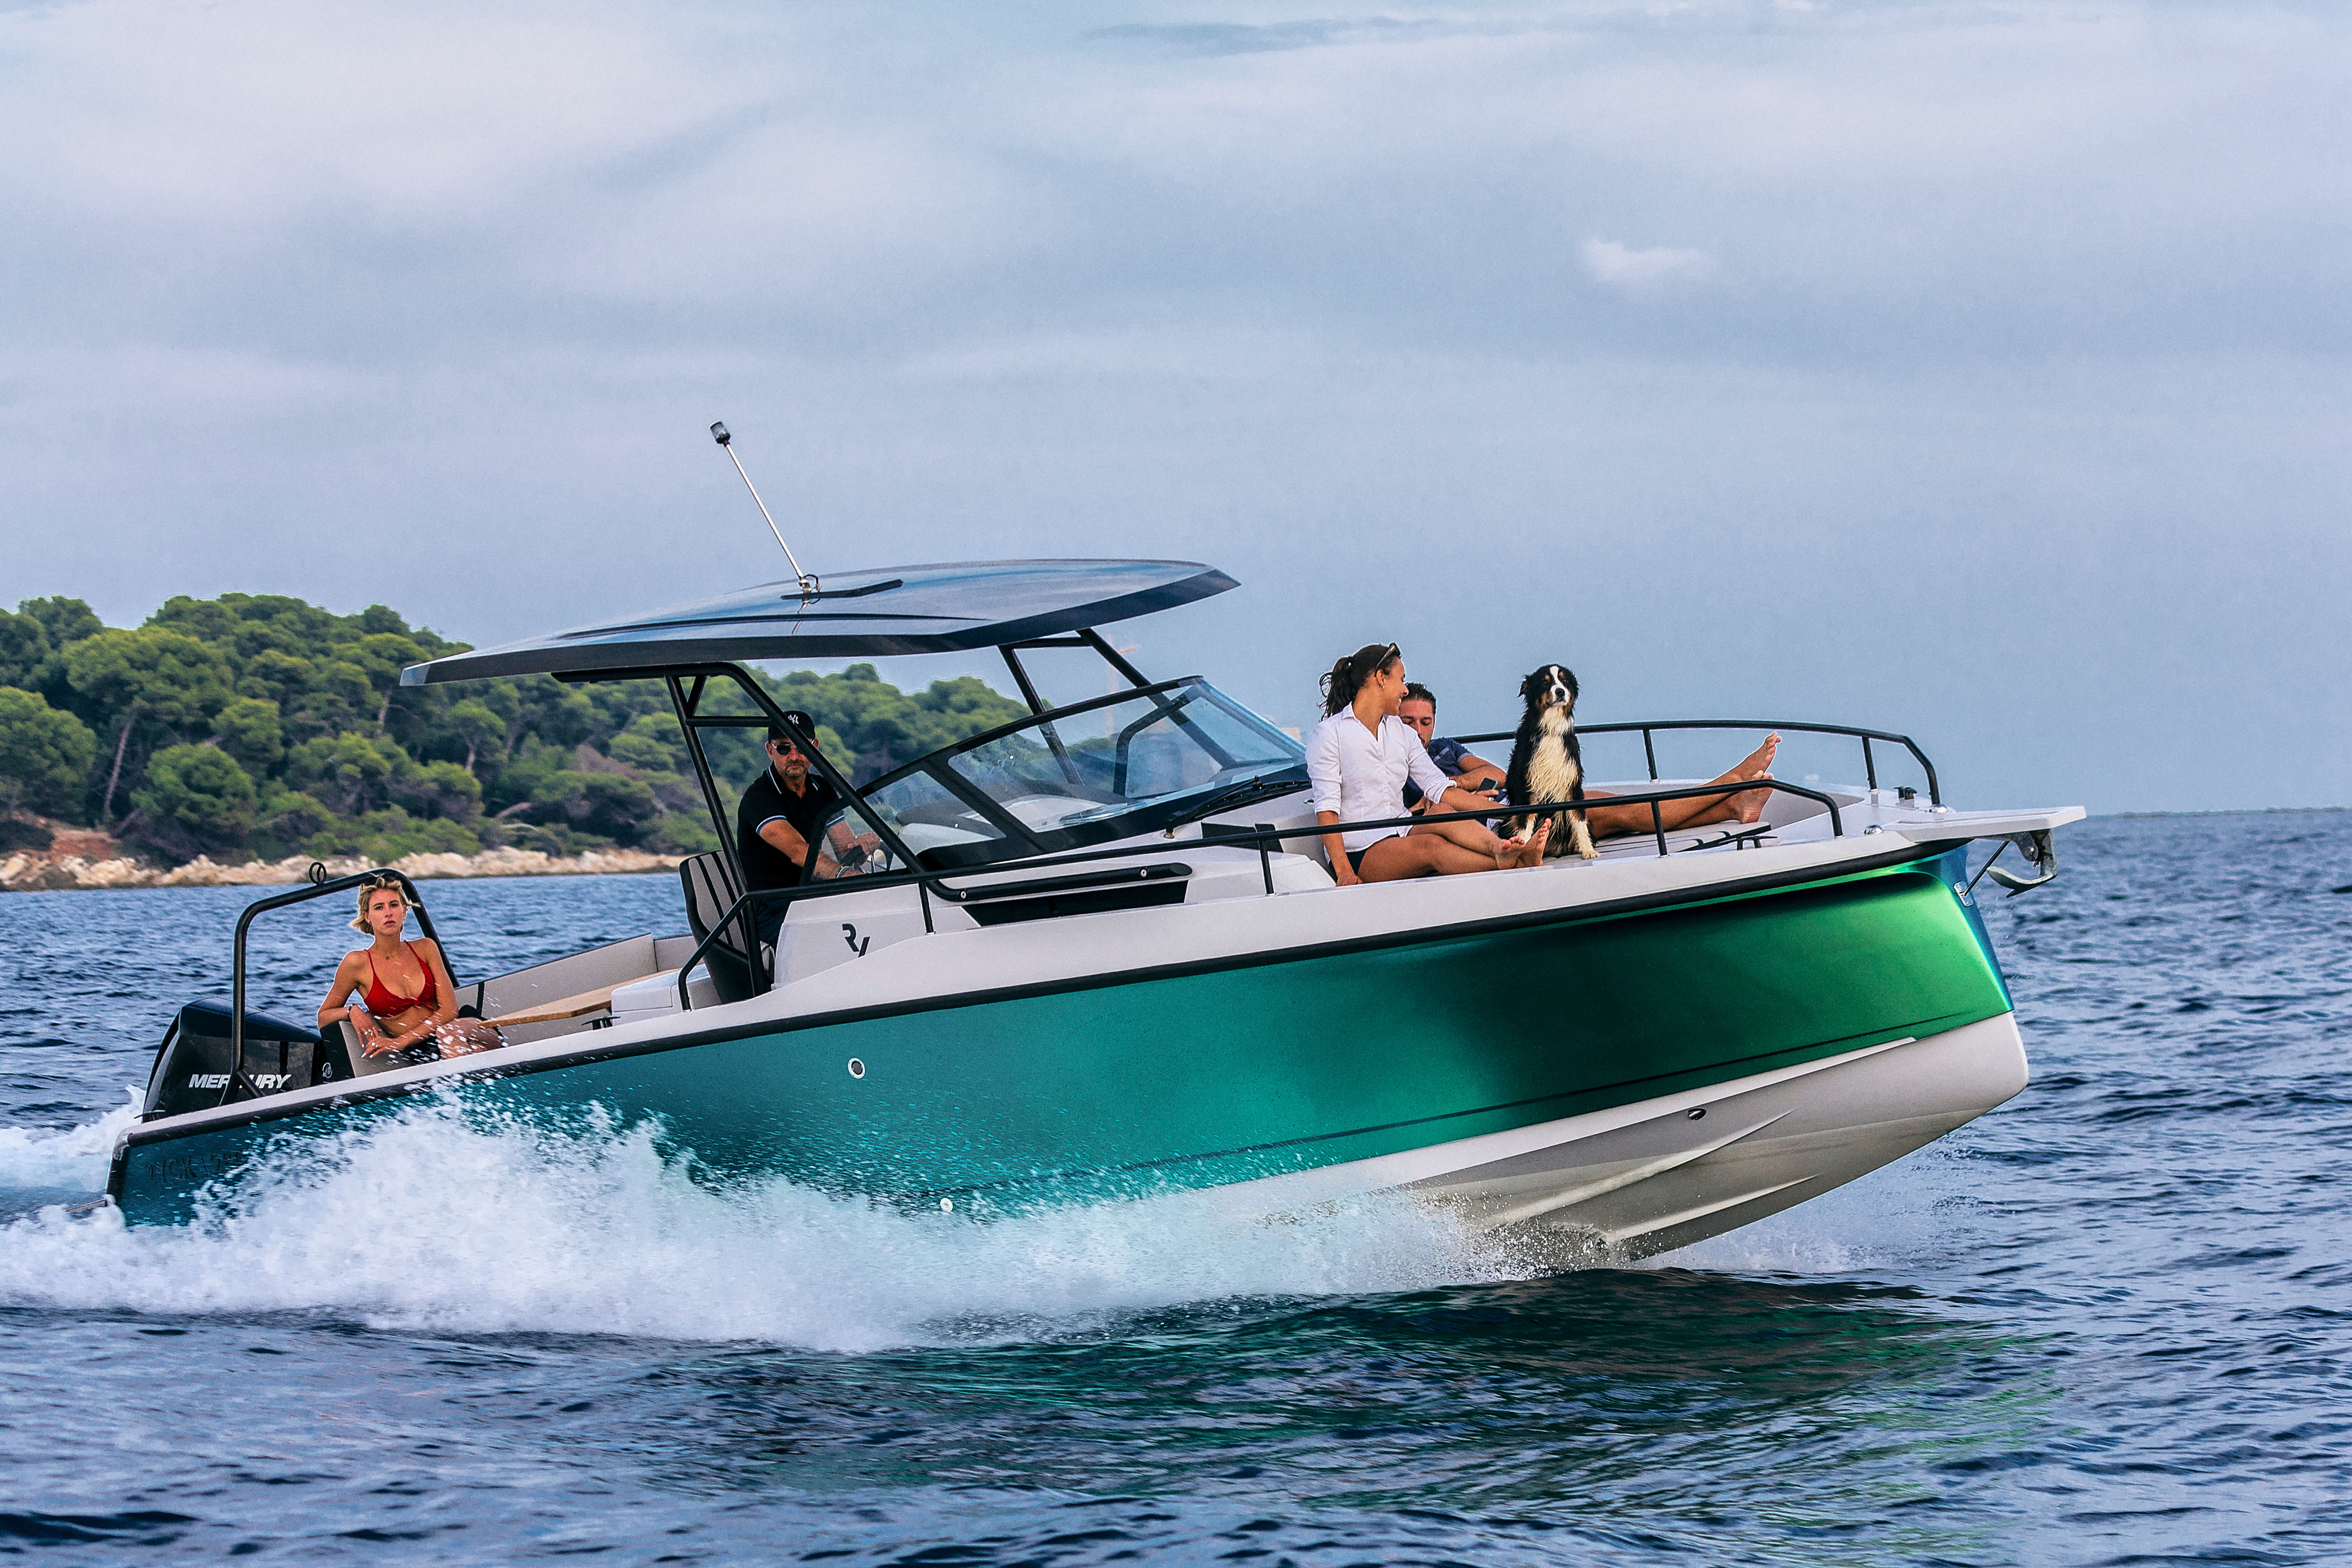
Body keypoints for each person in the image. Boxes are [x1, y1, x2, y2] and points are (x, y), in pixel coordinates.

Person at [1307, 643, 1548, 887]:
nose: (1404, 690)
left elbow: (1441, 789)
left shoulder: (1402, 734)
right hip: (1359, 850)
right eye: (1401, 680)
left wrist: (1510, 810)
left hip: (1401, 828)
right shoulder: (1330, 734)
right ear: (1381, 678)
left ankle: (1500, 849)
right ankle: (1514, 863)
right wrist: (1345, 872)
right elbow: (1327, 810)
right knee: (1431, 847)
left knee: (1441, 811)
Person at [318, 875, 500, 1061]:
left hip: (462, 1027)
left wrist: (400, 1043)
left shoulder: (426, 948)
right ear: (367, 917)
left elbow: (450, 1011)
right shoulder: (356, 964)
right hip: (425, 1052)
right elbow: (323, 1017)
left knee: (449, 1034)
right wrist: (352, 1011)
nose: (388, 913)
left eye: (394, 905)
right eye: (379, 908)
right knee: (470, 1052)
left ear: (405, 911)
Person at [735, 714, 842, 945]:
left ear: (815, 747)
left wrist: (874, 842)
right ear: (770, 751)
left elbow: (844, 846)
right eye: (784, 748)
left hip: (810, 899)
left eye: (802, 746)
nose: (794, 756)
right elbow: (798, 852)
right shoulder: (759, 798)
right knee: (842, 929)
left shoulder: (823, 789)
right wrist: (843, 875)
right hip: (771, 911)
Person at [1398, 682, 1505, 806]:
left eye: (1426, 723)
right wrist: (1468, 803)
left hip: (1506, 804)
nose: (1419, 731)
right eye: (1408, 723)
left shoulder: (1444, 746)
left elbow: (1500, 776)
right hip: (1481, 819)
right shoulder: (1396, 769)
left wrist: (1452, 785)